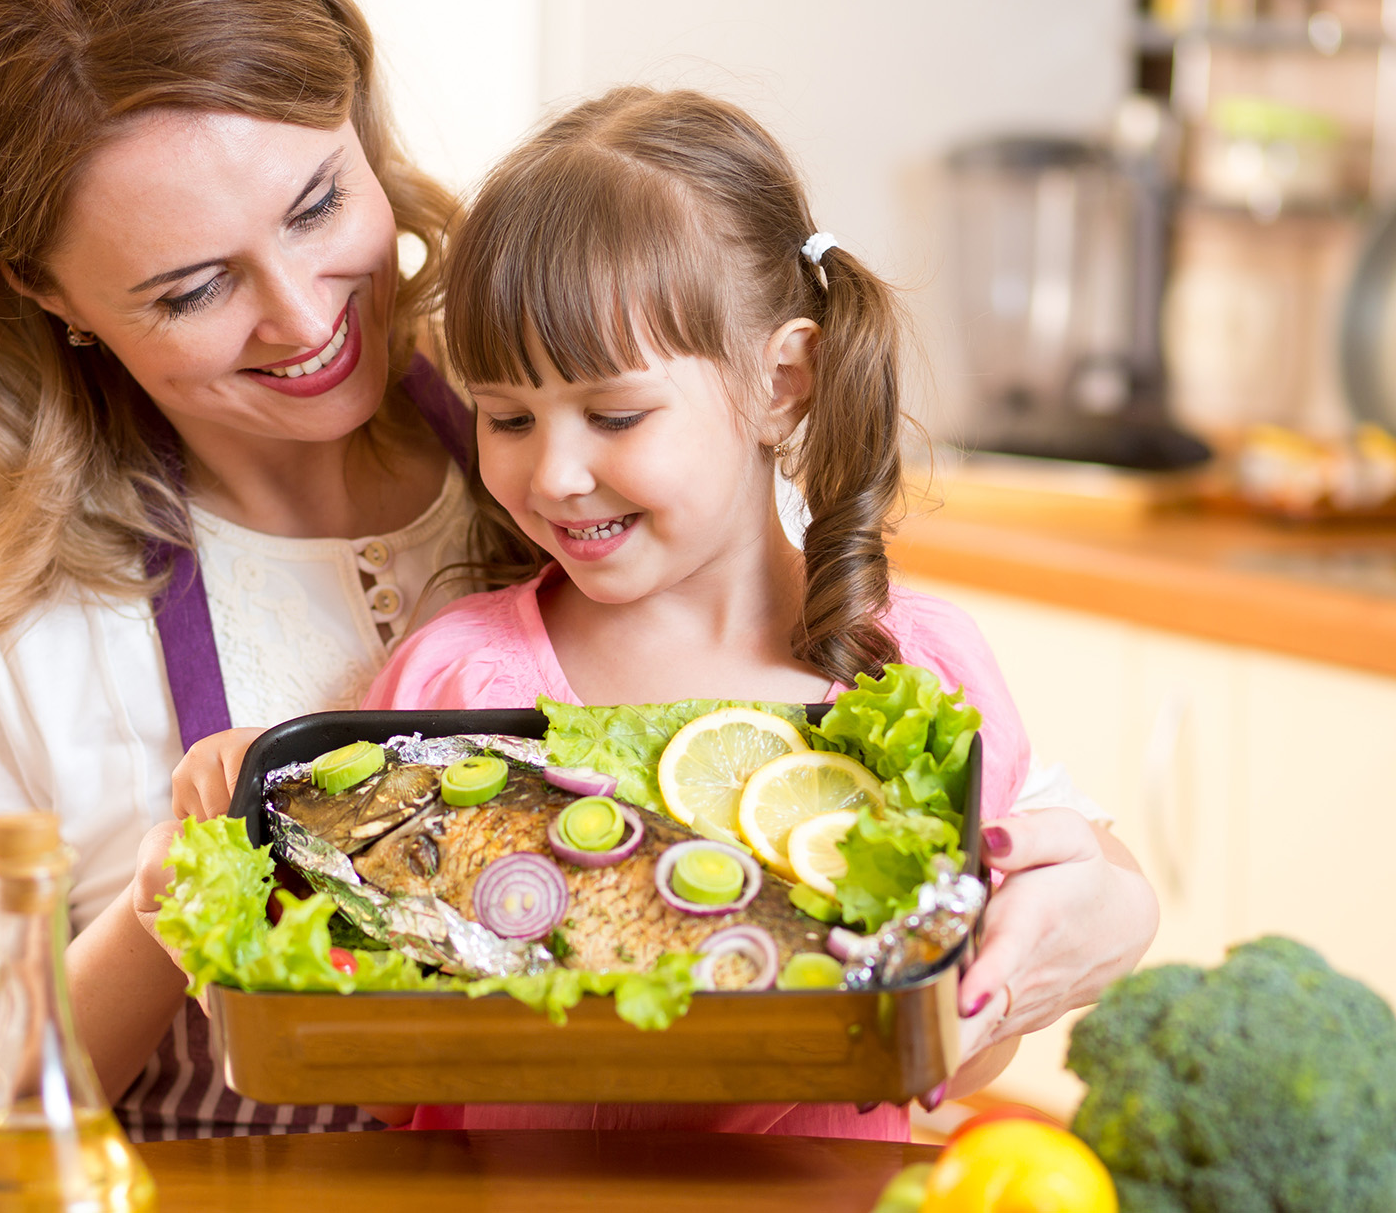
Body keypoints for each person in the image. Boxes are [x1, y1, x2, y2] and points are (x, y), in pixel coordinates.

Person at [356, 87, 1160, 1138]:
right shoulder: (448, 684)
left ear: (781, 381)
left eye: (614, 414)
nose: (553, 473)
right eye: (507, 417)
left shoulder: (913, 674)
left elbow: (967, 1049)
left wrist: (974, 997)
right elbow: (373, 1067)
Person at [0, 0, 475, 1163]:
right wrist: (165, 913)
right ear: (39, 287)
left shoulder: (557, 427)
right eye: (191, 290)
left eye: (320, 204)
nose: (302, 317)